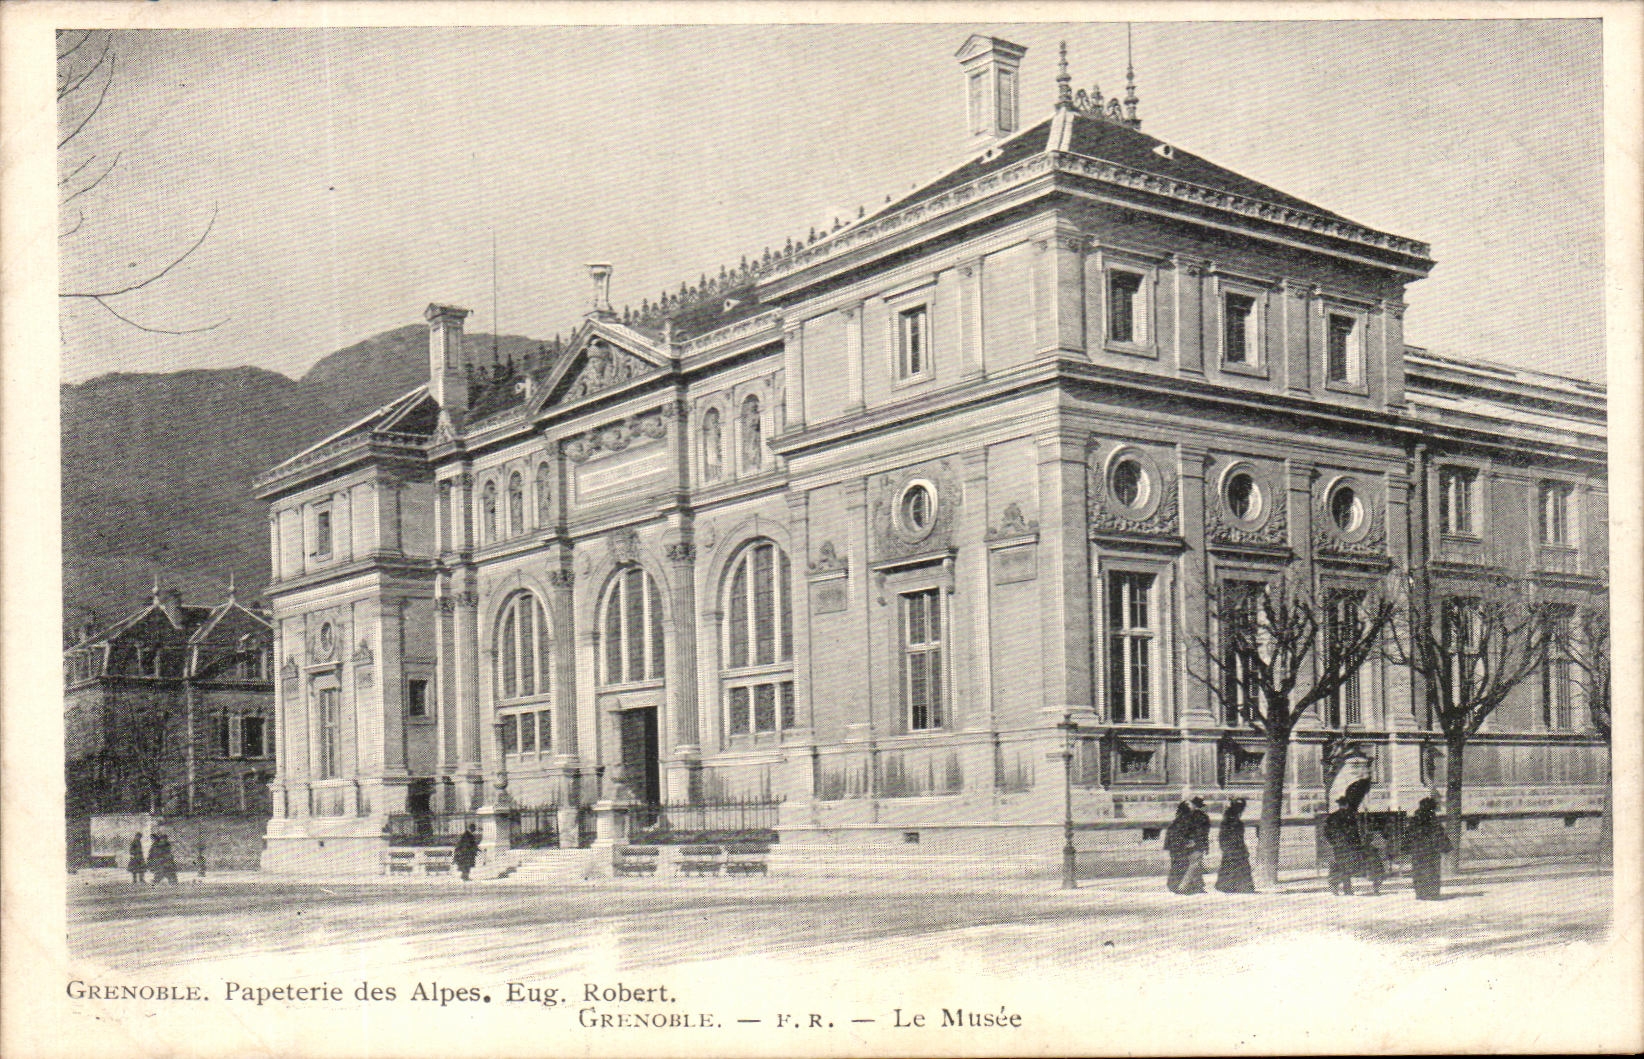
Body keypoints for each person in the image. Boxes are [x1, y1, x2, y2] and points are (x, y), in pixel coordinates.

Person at [1407, 796, 1451, 900]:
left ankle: (1420, 893)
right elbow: (1439, 834)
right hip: (1431, 851)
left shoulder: (1414, 819)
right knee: (1432, 871)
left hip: (1417, 851)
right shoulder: (1432, 819)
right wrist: (1445, 847)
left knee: (1419, 871)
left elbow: (1408, 834)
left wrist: (1409, 847)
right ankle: (1432, 893)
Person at [1214, 797, 1256, 894]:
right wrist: (1228, 847)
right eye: (1240, 807)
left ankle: (1231, 886)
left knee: (1232, 866)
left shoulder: (1232, 819)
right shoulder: (1230, 820)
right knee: (1235, 866)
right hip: (1232, 847)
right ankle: (1238, 887)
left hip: (1234, 846)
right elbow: (1225, 835)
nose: (1242, 809)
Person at [1323, 795, 1362, 895]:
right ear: (1346, 804)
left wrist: (1334, 842)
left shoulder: (1333, 817)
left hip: (1340, 846)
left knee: (1342, 866)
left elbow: (1326, 832)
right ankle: (1344, 888)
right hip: (1349, 846)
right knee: (1346, 867)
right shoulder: (1351, 816)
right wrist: (1358, 845)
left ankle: (1338, 887)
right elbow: (1356, 832)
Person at [1162, 801, 1196, 894]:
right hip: (1181, 847)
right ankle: (1180, 887)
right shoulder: (1186, 821)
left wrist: (1167, 846)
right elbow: (1188, 836)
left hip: (1174, 848)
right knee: (1183, 865)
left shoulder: (1175, 821)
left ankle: (1173, 885)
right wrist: (1190, 843)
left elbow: (1170, 834)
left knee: (1176, 865)